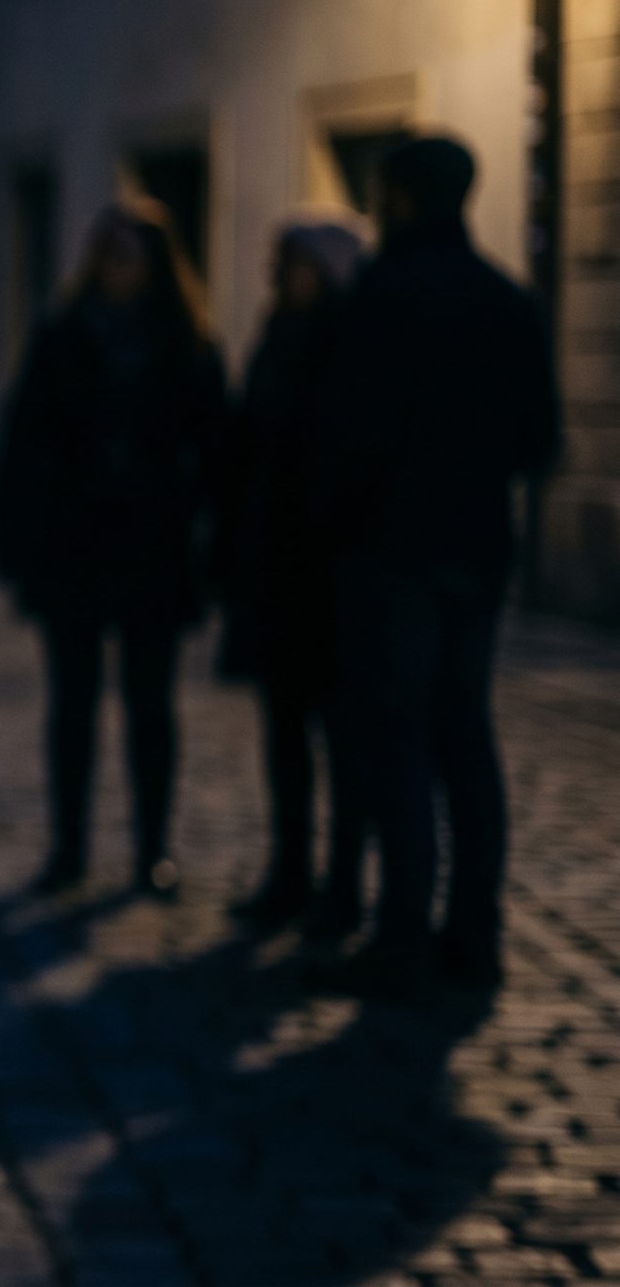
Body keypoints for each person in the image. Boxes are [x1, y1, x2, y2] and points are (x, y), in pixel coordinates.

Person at [316, 135, 561, 993]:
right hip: (477, 546)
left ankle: (403, 933)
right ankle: (475, 930)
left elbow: (345, 433)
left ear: (405, 198)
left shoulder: (382, 296)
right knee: (466, 734)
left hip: (394, 550)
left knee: (402, 740)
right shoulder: (505, 298)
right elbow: (540, 440)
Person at [0, 200, 229, 899]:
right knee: (72, 705)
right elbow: (23, 442)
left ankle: (152, 845)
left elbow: (215, 448)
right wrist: (19, 540)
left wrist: (202, 524)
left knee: (150, 706)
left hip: (152, 548)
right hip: (74, 548)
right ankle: (69, 846)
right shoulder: (62, 335)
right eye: (108, 252)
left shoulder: (185, 342)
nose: (117, 267)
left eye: (130, 254)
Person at [218, 218, 367, 934]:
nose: (279, 274)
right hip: (276, 567)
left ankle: (341, 884)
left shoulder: (349, 344)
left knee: (341, 739)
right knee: (283, 736)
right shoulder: (275, 336)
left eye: (292, 262)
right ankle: (290, 871)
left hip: (331, 573)